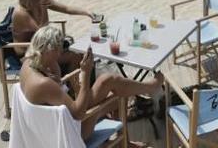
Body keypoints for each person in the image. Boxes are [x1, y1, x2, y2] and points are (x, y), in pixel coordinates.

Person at [17, 26, 163, 145]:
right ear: (49, 50)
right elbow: (79, 113)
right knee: (118, 95)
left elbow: (57, 88)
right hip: (71, 132)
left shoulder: (28, 65)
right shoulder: (43, 84)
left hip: (54, 125)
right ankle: (149, 88)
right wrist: (85, 74)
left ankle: (148, 88)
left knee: (107, 80)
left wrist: (56, 68)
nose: (61, 53)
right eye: (59, 49)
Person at [12, 0, 97, 72]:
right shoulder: (21, 14)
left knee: (80, 52)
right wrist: (44, 5)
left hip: (42, 45)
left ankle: (72, 79)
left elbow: (66, 8)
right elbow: (43, 31)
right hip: (29, 54)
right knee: (75, 56)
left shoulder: (38, 2)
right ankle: (71, 84)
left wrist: (87, 12)